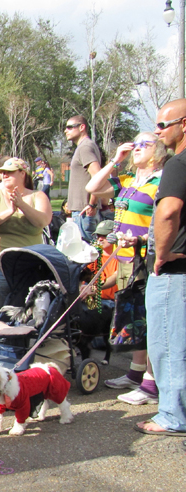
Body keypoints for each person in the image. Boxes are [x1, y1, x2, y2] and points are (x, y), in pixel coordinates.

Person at [85, 132, 167, 404]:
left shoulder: (162, 179)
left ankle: (151, 385)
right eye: (136, 144)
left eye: (146, 143)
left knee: (149, 320)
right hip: (123, 259)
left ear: (160, 149)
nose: (138, 148)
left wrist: (142, 240)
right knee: (133, 319)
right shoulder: (129, 180)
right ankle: (136, 372)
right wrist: (115, 160)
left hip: (145, 259)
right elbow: (94, 188)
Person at [133, 99, 186, 435]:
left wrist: (162, 253)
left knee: (167, 344)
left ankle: (172, 414)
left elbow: (167, 212)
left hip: (173, 272)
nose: (157, 131)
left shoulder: (178, 164)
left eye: (163, 125)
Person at [0, 158, 53, 320]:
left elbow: (43, 221)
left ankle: (21, 344)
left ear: (22, 173)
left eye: (9, 172)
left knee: (24, 312)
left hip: (28, 267)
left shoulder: (38, 196)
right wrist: (9, 211)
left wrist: (22, 205)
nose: (4, 175)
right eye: (2, 172)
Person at [65, 115, 103, 241]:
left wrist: (92, 204)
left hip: (84, 211)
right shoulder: (84, 147)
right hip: (81, 211)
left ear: (82, 127)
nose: (66, 131)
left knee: (86, 255)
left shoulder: (85, 147)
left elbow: (97, 177)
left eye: (70, 127)